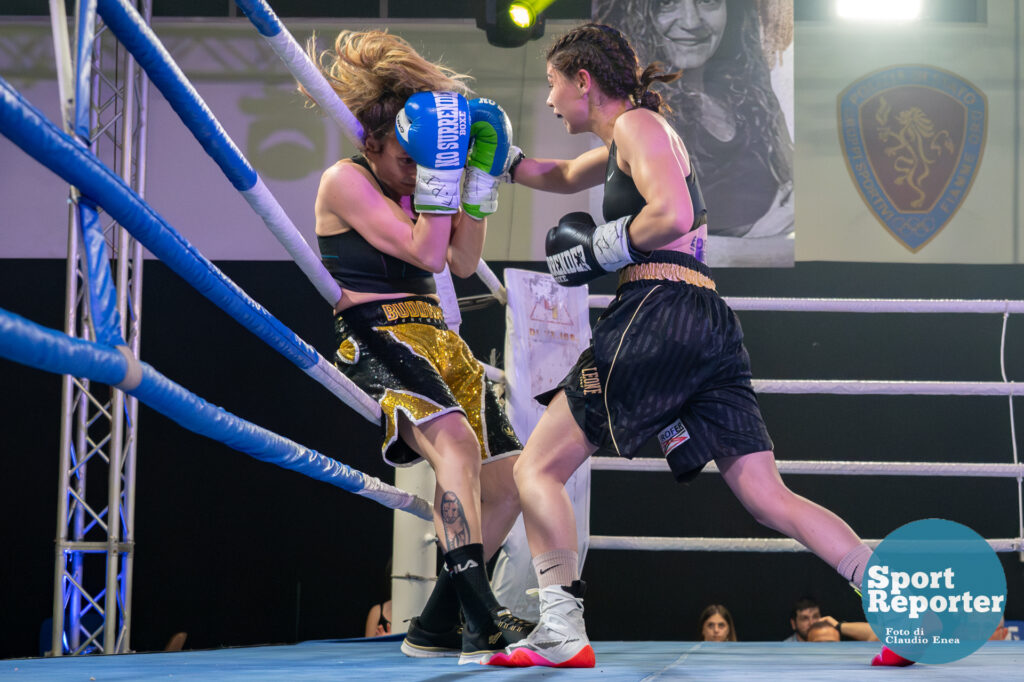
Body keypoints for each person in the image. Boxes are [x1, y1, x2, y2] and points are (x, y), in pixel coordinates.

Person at [483, 23, 889, 668]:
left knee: (537, 468)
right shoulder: (630, 136)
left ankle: (561, 628)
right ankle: (900, 608)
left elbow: (670, 214)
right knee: (766, 495)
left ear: (583, 80)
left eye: (556, 86)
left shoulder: (639, 128)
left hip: (657, 310)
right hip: (705, 319)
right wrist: (498, 160)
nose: (553, 101)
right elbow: (557, 173)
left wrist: (596, 250)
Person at [305, 29, 530, 664]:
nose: (415, 171)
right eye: (406, 159)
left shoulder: (420, 176)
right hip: (380, 334)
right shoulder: (343, 181)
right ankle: (482, 618)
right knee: (455, 445)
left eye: (421, 160)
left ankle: (435, 626)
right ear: (372, 142)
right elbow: (428, 250)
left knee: (511, 478)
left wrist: (478, 182)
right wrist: (438, 174)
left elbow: (459, 260)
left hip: (437, 335)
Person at [593, 0, 794, 246]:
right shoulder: (635, 117)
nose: (691, 22)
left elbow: (794, 195)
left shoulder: (754, 99)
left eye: (707, 2)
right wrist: (761, 237)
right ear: (637, 17)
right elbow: (657, 244)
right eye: (667, 3)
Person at [785, 597, 878, 643]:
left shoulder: (831, 634)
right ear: (793, 624)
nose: (812, 623)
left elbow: (880, 635)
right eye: (804, 618)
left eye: (815, 616)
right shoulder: (784, 651)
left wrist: (839, 626)